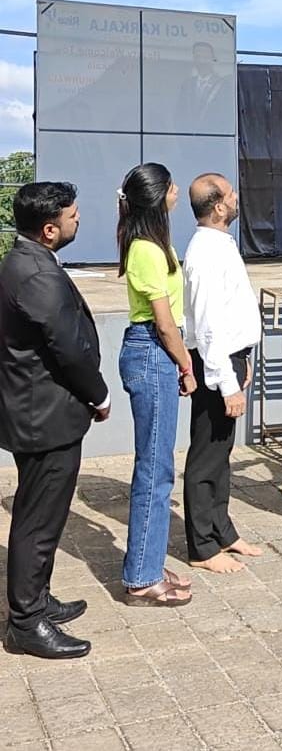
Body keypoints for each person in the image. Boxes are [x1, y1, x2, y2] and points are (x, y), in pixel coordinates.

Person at [0, 182, 110, 659]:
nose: (78, 219)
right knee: (38, 520)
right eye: (72, 215)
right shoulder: (36, 274)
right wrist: (99, 395)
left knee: (41, 512)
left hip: (38, 411)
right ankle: (25, 623)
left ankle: (37, 599)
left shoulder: (26, 261)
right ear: (49, 229)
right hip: (45, 416)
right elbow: (69, 348)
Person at [117, 163, 197, 606]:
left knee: (158, 463)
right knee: (155, 468)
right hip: (153, 351)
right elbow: (164, 324)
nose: (177, 191)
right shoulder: (146, 249)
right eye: (170, 186)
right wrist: (186, 365)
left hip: (155, 350)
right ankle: (142, 577)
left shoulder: (151, 243)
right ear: (157, 196)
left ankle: (147, 562)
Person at [183, 173, 264, 573]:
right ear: (218, 206)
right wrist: (227, 384)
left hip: (230, 357)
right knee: (206, 455)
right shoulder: (205, 253)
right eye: (231, 194)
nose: (236, 197)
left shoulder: (220, 243)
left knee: (221, 453)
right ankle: (201, 547)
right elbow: (208, 325)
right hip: (215, 363)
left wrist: (242, 359)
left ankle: (222, 530)